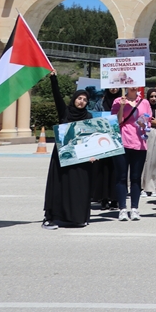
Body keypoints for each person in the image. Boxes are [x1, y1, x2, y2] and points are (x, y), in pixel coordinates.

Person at [42, 73, 93, 229]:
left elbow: (92, 138)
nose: (81, 101)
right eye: (79, 98)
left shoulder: (88, 116)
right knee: (59, 186)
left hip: (81, 157)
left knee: (78, 187)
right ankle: (50, 218)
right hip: (62, 156)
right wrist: (53, 79)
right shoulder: (65, 113)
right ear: (74, 99)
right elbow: (57, 96)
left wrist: (93, 154)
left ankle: (76, 217)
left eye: (84, 100)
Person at [110, 87, 156, 221]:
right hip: (122, 142)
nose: (133, 86)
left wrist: (144, 124)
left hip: (139, 143)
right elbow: (117, 122)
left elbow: (148, 122)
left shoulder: (144, 102)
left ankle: (135, 208)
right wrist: (121, 107)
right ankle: (122, 209)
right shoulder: (118, 100)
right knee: (121, 177)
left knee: (136, 178)